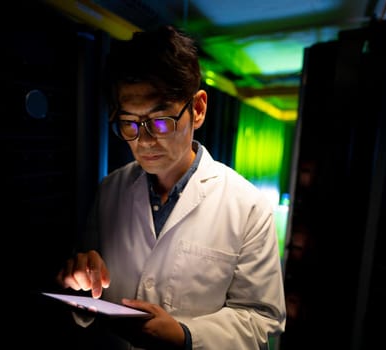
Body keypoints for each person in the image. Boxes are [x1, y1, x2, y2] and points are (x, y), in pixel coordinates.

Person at [55, 25, 286, 349]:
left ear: (199, 109)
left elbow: (262, 319)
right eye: (129, 123)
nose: (145, 141)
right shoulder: (110, 189)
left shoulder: (247, 206)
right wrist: (79, 283)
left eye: (161, 121)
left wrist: (185, 336)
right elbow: (88, 292)